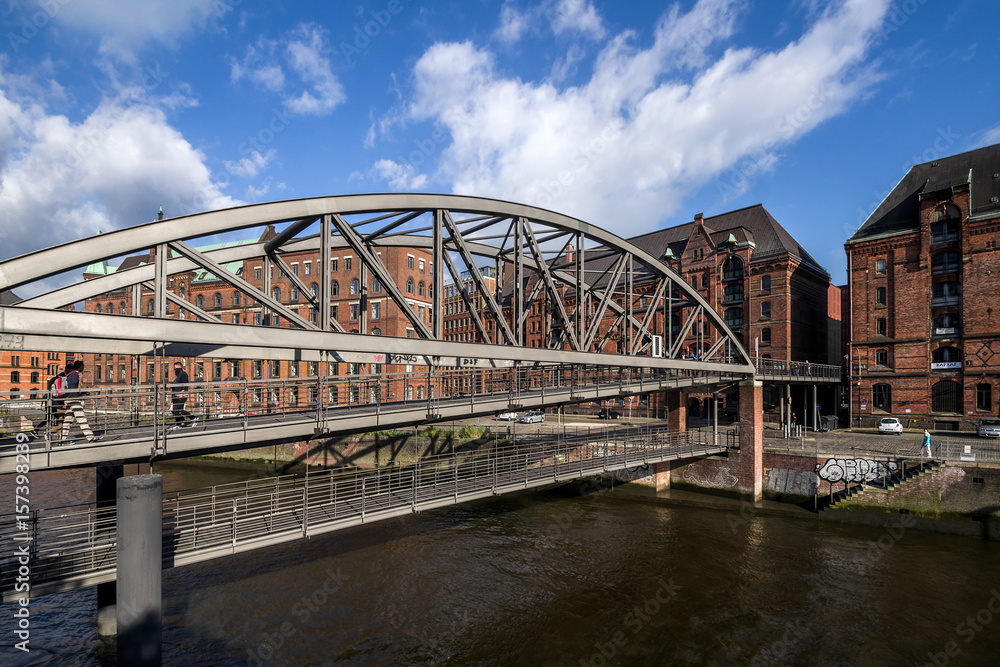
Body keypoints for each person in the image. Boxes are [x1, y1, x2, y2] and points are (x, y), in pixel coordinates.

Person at [61, 360, 102, 442]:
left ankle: (62, 438)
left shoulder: (69, 375)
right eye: (83, 366)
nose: (83, 368)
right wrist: (79, 393)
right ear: (80, 367)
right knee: (81, 418)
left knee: (68, 420)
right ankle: (90, 437)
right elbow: (72, 388)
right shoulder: (75, 374)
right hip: (73, 400)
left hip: (68, 399)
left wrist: (81, 393)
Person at [170, 362, 197, 429]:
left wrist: (182, 392)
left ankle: (193, 418)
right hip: (175, 395)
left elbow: (185, 384)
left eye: (176, 368)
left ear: (180, 367)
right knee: (174, 410)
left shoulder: (183, 374)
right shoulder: (178, 376)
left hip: (181, 395)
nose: (175, 370)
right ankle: (179, 422)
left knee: (179, 409)